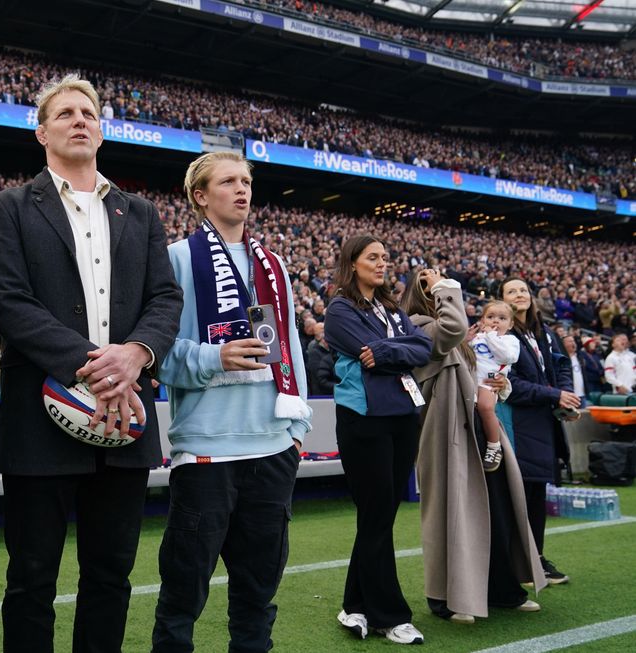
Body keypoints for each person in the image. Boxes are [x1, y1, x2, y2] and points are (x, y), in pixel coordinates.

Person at [0, 75, 182, 653]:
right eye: (65, 112)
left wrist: (137, 354)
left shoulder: (139, 213)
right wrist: (98, 366)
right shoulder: (10, 208)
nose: (79, 120)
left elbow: (165, 299)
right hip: (40, 420)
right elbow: (11, 303)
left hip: (126, 416)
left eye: (88, 112)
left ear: (102, 128)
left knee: (110, 577)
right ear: (42, 131)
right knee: (32, 579)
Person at [151, 152, 311, 652]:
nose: (242, 189)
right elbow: (157, 354)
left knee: (257, 599)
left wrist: (296, 432)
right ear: (201, 195)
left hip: (272, 449)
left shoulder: (274, 263)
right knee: (182, 596)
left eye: (246, 180)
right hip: (206, 452)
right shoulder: (177, 258)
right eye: (228, 181)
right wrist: (215, 356)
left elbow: (289, 349)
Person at [402, 269, 545, 626]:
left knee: (496, 510)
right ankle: (445, 598)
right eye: (427, 284)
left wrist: (502, 384)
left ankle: (501, 589)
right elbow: (449, 331)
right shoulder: (419, 325)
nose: (435, 286)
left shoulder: (459, 330)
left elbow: (480, 371)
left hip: (476, 428)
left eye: (437, 283)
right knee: (452, 515)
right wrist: (445, 288)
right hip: (446, 431)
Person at [324, 234, 432, 645]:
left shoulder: (391, 307)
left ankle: (354, 606)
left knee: (379, 517)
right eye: (373, 257)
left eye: (386, 257)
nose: (383, 263)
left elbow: (424, 346)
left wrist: (387, 351)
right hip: (363, 419)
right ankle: (391, 615)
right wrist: (394, 349)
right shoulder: (339, 308)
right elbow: (364, 348)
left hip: (403, 415)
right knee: (376, 515)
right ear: (353, 263)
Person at [500, 277, 579, 585]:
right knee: (518, 496)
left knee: (535, 494)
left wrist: (565, 398)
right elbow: (511, 386)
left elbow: (561, 365)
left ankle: (535, 559)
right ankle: (518, 563)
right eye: (511, 291)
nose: (519, 295)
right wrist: (553, 395)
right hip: (517, 423)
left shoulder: (543, 332)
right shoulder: (502, 335)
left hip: (543, 422)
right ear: (501, 300)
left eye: (523, 290)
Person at [471, 300, 521, 472]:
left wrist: (491, 336)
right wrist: (465, 339)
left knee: (486, 407)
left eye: (502, 318)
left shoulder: (510, 340)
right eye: (490, 317)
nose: (495, 321)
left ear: (511, 324)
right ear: (483, 320)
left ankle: (494, 445)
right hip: (469, 380)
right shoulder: (478, 338)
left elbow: (507, 357)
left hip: (489, 382)